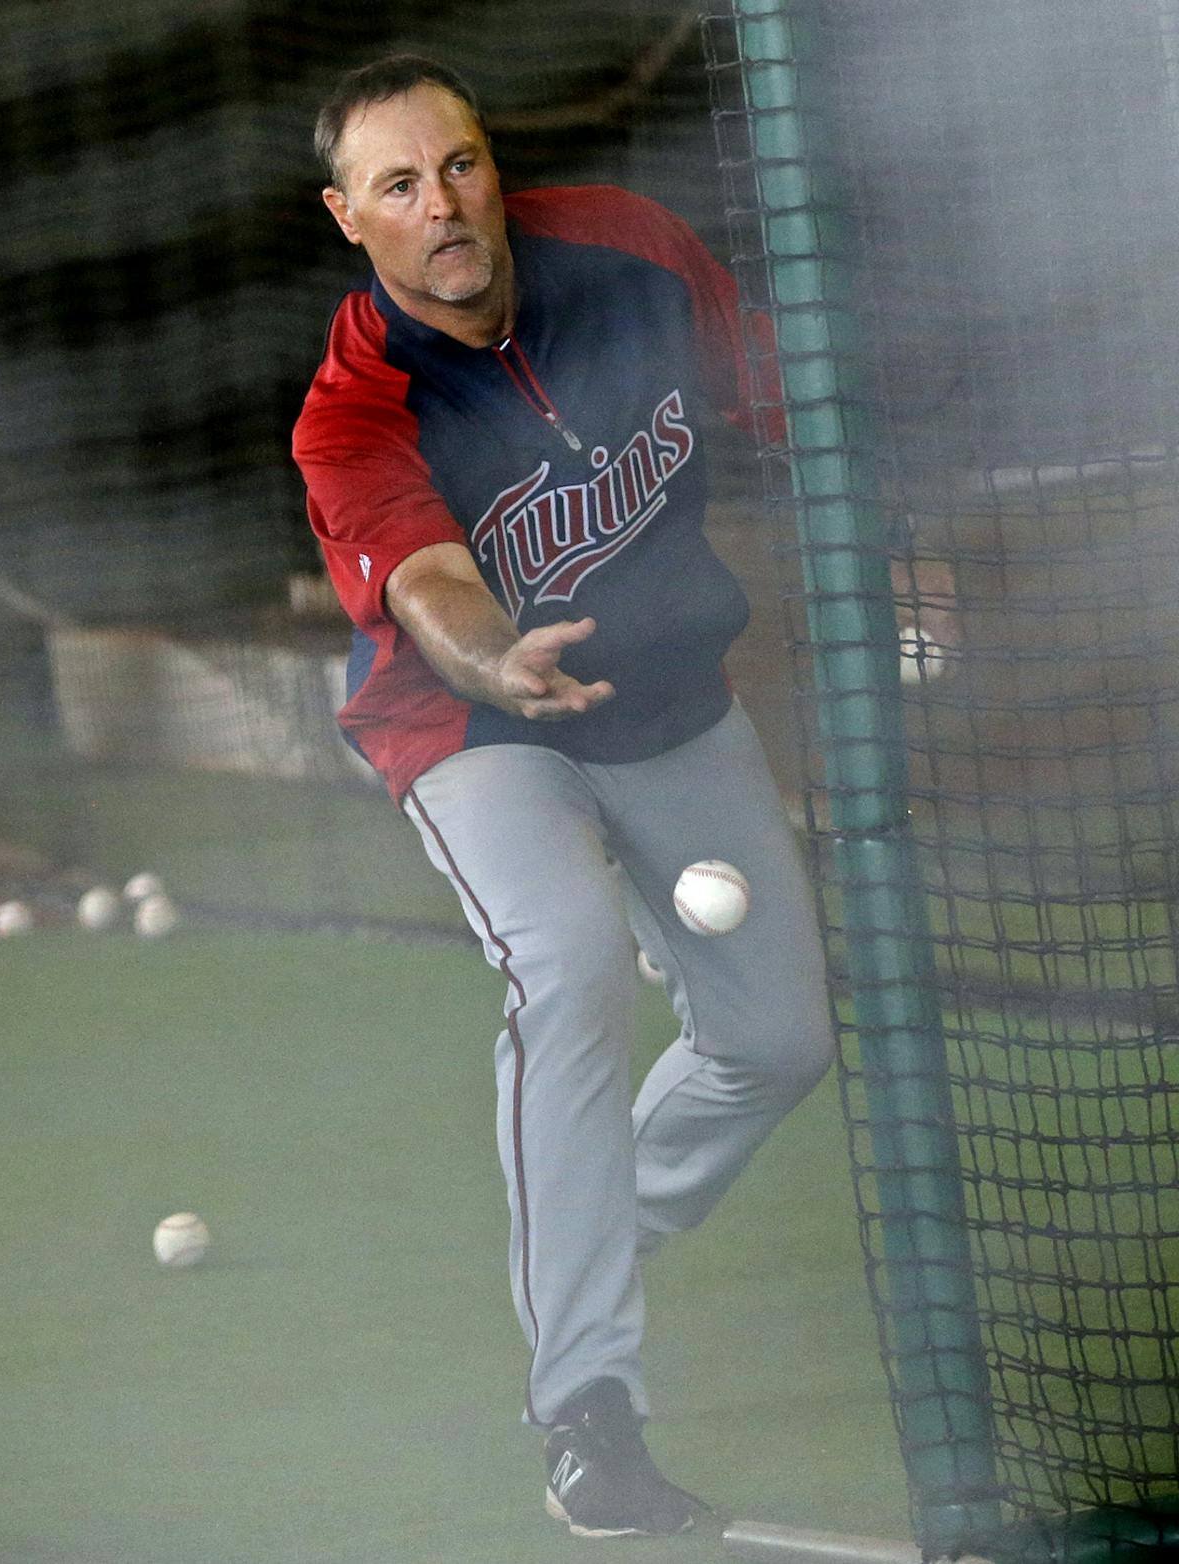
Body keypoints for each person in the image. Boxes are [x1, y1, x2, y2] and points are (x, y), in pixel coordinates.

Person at [293, 56, 835, 1539]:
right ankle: (589, 1414)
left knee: (778, 1043)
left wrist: (895, 538)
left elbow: (791, 398)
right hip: (473, 725)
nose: (443, 203)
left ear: (493, 159)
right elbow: (429, 585)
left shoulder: (629, 250)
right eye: (398, 186)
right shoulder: (354, 411)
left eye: (458, 163)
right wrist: (498, 659)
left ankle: (576, 1225)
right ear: (351, 218)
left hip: (670, 702)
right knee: (572, 964)